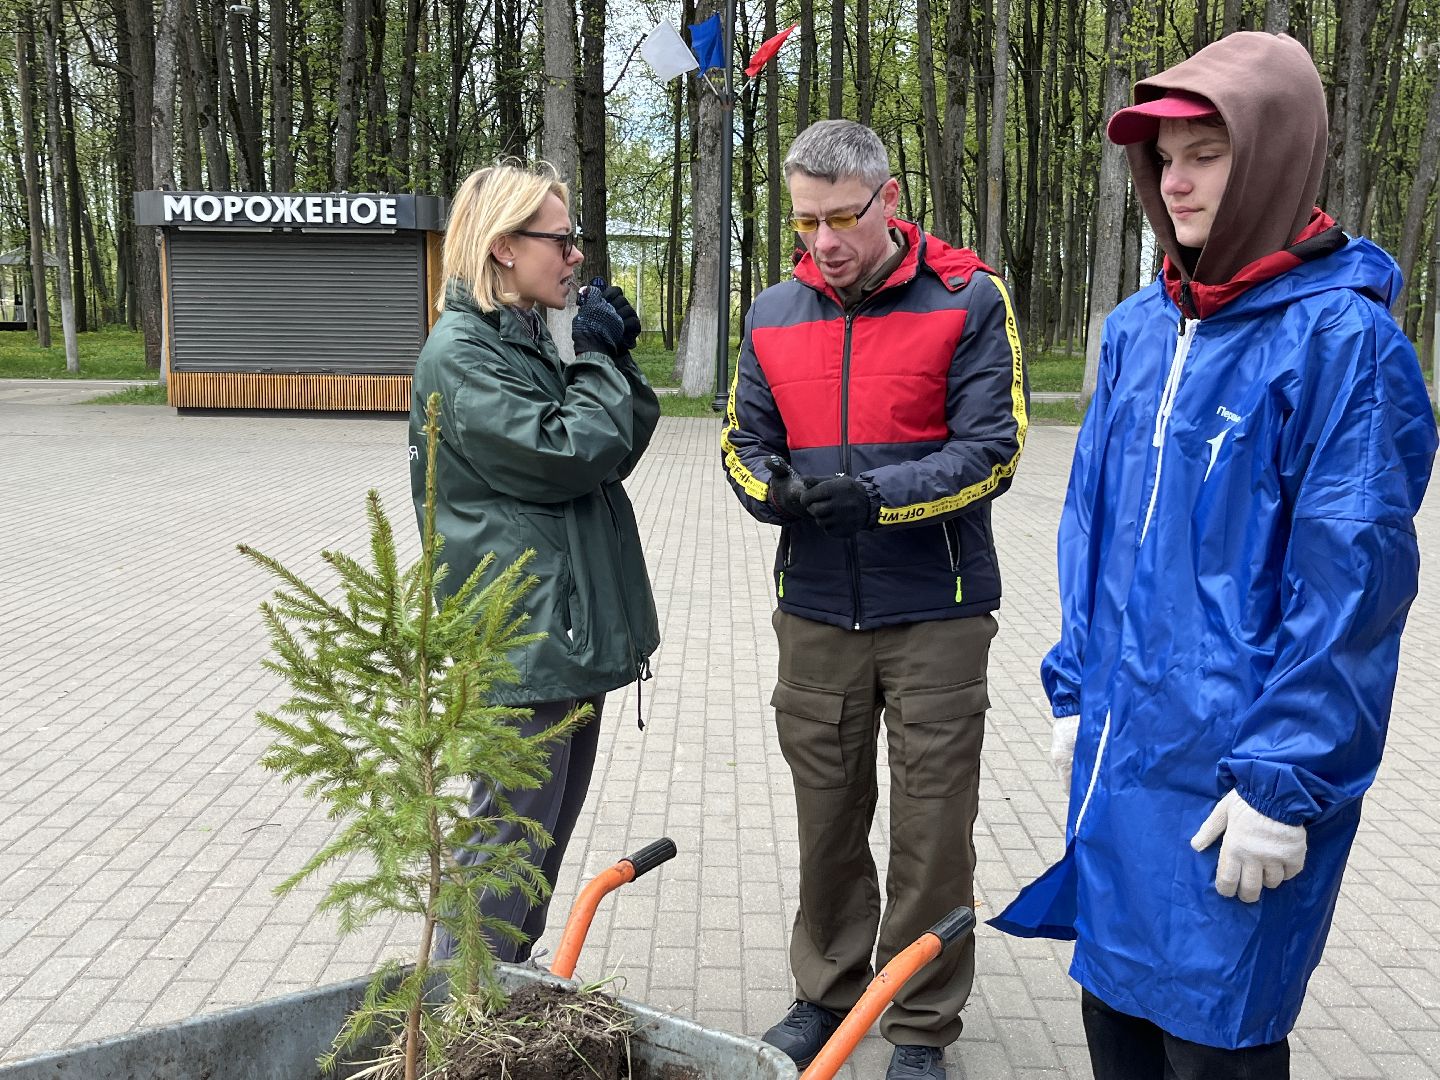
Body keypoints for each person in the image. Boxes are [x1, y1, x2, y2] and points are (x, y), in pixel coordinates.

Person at [992, 32, 1437, 1079]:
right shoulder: (1140, 329)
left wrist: (1288, 779)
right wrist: (1075, 685)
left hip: (1238, 782)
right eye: (1163, 155)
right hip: (1122, 761)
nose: (1177, 180)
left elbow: (1352, 586)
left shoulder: (1344, 343)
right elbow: (1091, 525)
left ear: (1276, 155)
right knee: (1118, 1030)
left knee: (1215, 1047)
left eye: (1210, 152)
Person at [722, 119, 1028, 1080]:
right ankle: (827, 992)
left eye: (843, 218)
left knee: (933, 827)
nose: (824, 242)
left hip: (936, 610)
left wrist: (879, 498)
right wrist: (769, 490)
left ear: (888, 202)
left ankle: (921, 1024)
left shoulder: (970, 298)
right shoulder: (772, 311)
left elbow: (996, 448)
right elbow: (742, 439)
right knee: (827, 815)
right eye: (805, 222)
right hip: (815, 609)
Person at [407, 161, 660, 964]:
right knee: (500, 862)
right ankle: (457, 1014)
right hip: (522, 643)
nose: (576, 255)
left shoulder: (517, 342)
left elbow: (614, 444)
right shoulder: (462, 353)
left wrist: (610, 358)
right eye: (562, 238)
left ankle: (499, 1006)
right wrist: (591, 361)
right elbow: (567, 450)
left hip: (562, 639)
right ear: (505, 246)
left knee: (532, 861)